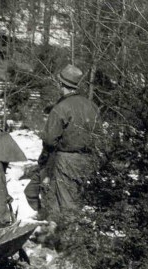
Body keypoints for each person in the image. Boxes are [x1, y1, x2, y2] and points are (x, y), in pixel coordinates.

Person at [40, 64, 101, 219]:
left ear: (61, 84)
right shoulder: (92, 106)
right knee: (77, 199)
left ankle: (69, 233)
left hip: (66, 159)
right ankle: (60, 231)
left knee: (66, 202)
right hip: (89, 159)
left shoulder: (61, 107)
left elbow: (49, 139)